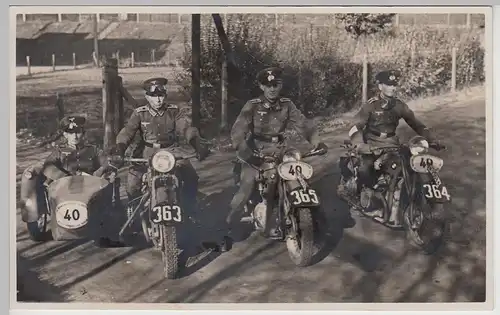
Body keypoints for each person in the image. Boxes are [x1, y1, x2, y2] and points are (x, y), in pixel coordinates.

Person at [222, 66, 328, 246]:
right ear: (262, 87)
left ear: (280, 86)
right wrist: (246, 152)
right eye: (268, 85)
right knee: (246, 187)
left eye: (276, 85)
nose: (272, 89)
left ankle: (312, 219)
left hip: (281, 147)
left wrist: (317, 142)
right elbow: (238, 131)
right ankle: (228, 227)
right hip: (256, 149)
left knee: (299, 177)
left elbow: (303, 124)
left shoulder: (287, 104)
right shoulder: (252, 105)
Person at [346, 70, 443, 216]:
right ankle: (363, 196)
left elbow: (416, 124)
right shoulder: (370, 106)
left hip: (392, 144)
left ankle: (405, 197)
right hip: (372, 144)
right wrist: (360, 144)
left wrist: (431, 139)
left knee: (408, 165)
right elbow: (355, 127)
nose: (392, 88)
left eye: (394, 85)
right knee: (365, 168)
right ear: (380, 86)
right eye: (388, 84)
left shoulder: (399, 105)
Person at [111, 77, 209, 220]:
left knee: (191, 176)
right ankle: (135, 215)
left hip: (171, 151)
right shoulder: (140, 113)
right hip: (146, 152)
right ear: (147, 96)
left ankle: (189, 208)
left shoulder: (173, 111)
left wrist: (196, 144)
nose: (158, 100)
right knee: (133, 183)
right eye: (154, 96)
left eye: (161, 96)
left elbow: (186, 128)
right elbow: (127, 132)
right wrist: (120, 149)